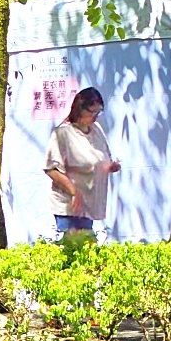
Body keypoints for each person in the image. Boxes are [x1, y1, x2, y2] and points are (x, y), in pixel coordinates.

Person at [43, 87, 121, 236]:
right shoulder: (63, 133)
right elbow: (50, 169)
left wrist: (110, 166)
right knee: (76, 246)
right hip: (69, 204)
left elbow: (100, 158)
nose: (95, 117)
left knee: (87, 246)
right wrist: (73, 191)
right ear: (80, 109)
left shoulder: (96, 130)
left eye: (99, 112)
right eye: (92, 112)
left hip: (89, 203)